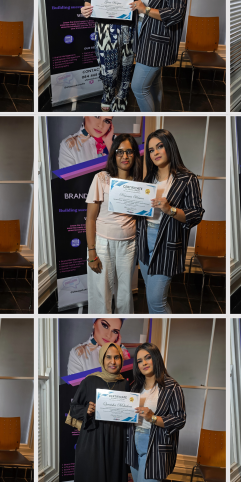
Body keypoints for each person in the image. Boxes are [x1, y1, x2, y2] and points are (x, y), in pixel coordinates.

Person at [136, 129, 204, 313]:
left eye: (160, 146)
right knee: (151, 297)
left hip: (167, 242)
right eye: (151, 150)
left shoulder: (187, 179)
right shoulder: (148, 179)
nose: (155, 153)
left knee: (156, 302)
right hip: (144, 241)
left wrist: (170, 210)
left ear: (169, 146)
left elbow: (196, 214)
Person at [67, 342, 130, 482]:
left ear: (121, 359)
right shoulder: (90, 380)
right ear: (102, 359)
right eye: (108, 357)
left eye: (116, 357)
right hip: (92, 441)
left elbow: (127, 415)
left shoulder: (124, 384)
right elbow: (73, 409)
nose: (113, 361)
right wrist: (86, 409)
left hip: (116, 442)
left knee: (113, 481)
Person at [125, 343, 186, 482]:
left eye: (148, 357)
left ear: (156, 358)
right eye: (139, 361)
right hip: (134, 447)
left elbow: (180, 419)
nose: (144, 363)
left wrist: (152, 417)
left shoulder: (172, 387)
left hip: (155, 448)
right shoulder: (135, 387)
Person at [81, 0, 140, 111]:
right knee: (108, 69)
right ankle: (107, 93)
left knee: (126, 67)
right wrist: (86, 10)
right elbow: (88, 0)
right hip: (105, 30)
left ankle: (122, 95)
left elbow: (140, 4)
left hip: (128, 29)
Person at [86, 132, 142, 313]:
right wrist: (92, 252)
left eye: (129, 152)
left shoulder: (139, 183)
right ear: (114, 154)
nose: (125, 156)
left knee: (125, 293)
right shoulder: (101, 178)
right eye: (120, 152)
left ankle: (123, 323)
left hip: (129, 244)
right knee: (101, 293)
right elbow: (91, 218)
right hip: (103, 243)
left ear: (135, 154)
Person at [130, 0, 188, 111]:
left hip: (156, 40)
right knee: (153, 83)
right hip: (143, 33)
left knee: (138, 87)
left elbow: (176, 13)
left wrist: (145, 9)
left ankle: (152, 119)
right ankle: (158, 112)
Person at [67, 317, 131, 374]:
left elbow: (128, 377)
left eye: (115, 331)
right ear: (94, 323)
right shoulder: (78, 353)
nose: (109, 335)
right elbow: (76, 384)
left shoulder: (122, 350)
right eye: (105, 326)